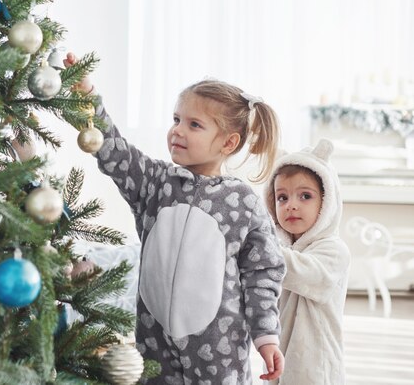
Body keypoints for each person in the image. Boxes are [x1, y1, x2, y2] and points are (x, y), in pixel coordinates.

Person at [64, 53, 286, 384]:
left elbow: (262, 274)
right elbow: (114, 151)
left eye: (194, 124)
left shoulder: (242, 202)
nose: (177, 131)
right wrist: (89, 97)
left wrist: (266, 336)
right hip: (154, 341)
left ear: (229, 142)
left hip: (218, 349)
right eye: (176, 119)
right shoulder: (155, 182)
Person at [263, 139, 350, 385]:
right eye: (282, 198)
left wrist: (259, 246)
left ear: (327, 202)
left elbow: (306, 274)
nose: (291, 205)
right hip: (280, 355)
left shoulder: (334, 250)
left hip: (316, 365)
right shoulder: (278, 248)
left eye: (305, 196)